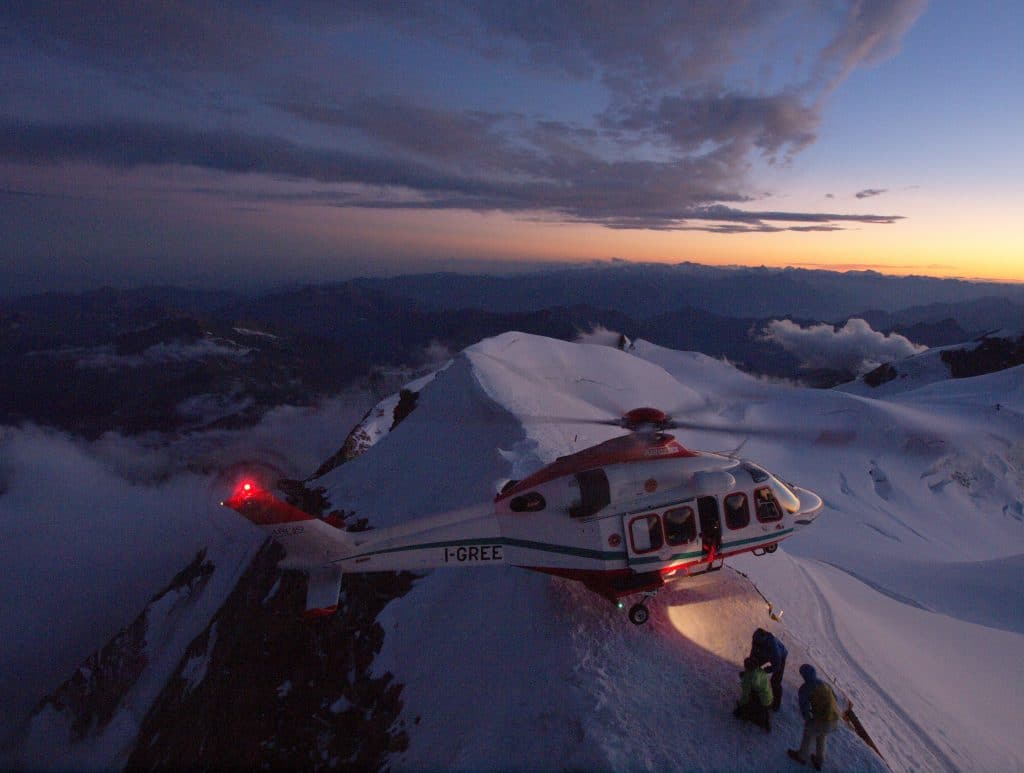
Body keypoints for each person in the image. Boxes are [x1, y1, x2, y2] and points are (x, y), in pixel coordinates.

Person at [787, 664, 841, 771]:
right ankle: (819, 760)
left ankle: (801, 756)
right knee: (822, 736)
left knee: (809, 733)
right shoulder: (824, 683)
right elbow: (835, 698)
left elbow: (804, 706)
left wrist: (808, 719)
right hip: (834, 718)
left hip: (822, 720)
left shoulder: (805, 688)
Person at [749, 628, 787, 710]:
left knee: (775, 681)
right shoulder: (756, 639)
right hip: (765, 653)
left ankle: (776, 704)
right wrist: (751, 663)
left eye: (758, 644)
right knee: (754, 669)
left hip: (780, 657)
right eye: (755, 642)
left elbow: (777, 665)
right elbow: (753, 652)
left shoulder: (773, 647)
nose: (755, 644)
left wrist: (765, 670)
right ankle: (752, 690)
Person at [733, 656, 772, 732]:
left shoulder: (748, 680)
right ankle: (763, 713)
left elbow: (745, 696)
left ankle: (759, 719)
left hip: (762, 702)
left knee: (741, 711)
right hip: (769, 698)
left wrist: (740, 705)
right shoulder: (760, 671)